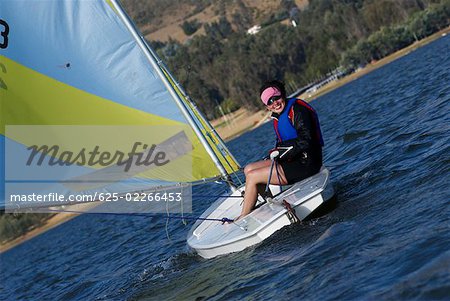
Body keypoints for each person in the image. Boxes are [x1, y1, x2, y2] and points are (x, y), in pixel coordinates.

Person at [236, 80, 324, 220]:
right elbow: (284, 145)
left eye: (276, 98)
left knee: (253, 177)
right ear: (267, 107)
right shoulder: (278, 117)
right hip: (294, 161)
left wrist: (282, 153)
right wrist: (278, 154)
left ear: (282, 95)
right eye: (269, 102)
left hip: (307, 163)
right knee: (249, 169)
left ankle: (243, 217)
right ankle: (270, 202)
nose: (274, 103)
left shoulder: (297, 110)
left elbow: (306, 140)